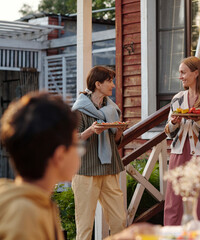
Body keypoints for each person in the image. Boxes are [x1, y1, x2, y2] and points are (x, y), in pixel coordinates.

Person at [0, 92, 81, 240]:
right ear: (60, 156)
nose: (80, 151)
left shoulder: (35, 202)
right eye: (76, 144)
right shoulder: (25, 215)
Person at [164, 56, 200, 225]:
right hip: (179, 153)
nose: (180, 76)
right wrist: (174, 123)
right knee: (174, 202)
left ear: (196, 73)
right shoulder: (177, 99)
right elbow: (168, 132)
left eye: (183, 72)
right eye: (180, 73)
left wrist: (199, 121)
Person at [72, 66, 126, 240]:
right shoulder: (79, 110)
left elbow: (117, 141)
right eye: (109, 81)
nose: (113, 85)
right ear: (97, 84)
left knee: (119, 221)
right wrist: (89, 132)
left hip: (109, 168)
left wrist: (118, 131)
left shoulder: (111, 109)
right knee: (85, 226)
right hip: (85, 171)